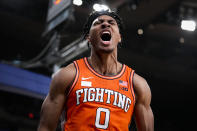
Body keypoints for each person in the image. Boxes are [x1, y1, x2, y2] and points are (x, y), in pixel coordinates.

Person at [38, 10, 154, 131]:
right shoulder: (68, 74)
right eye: (98, 23)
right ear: (88, 37)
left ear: (119, 37)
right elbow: (45, 127)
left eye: (111, 23)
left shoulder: (138, 84)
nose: (105, 24)